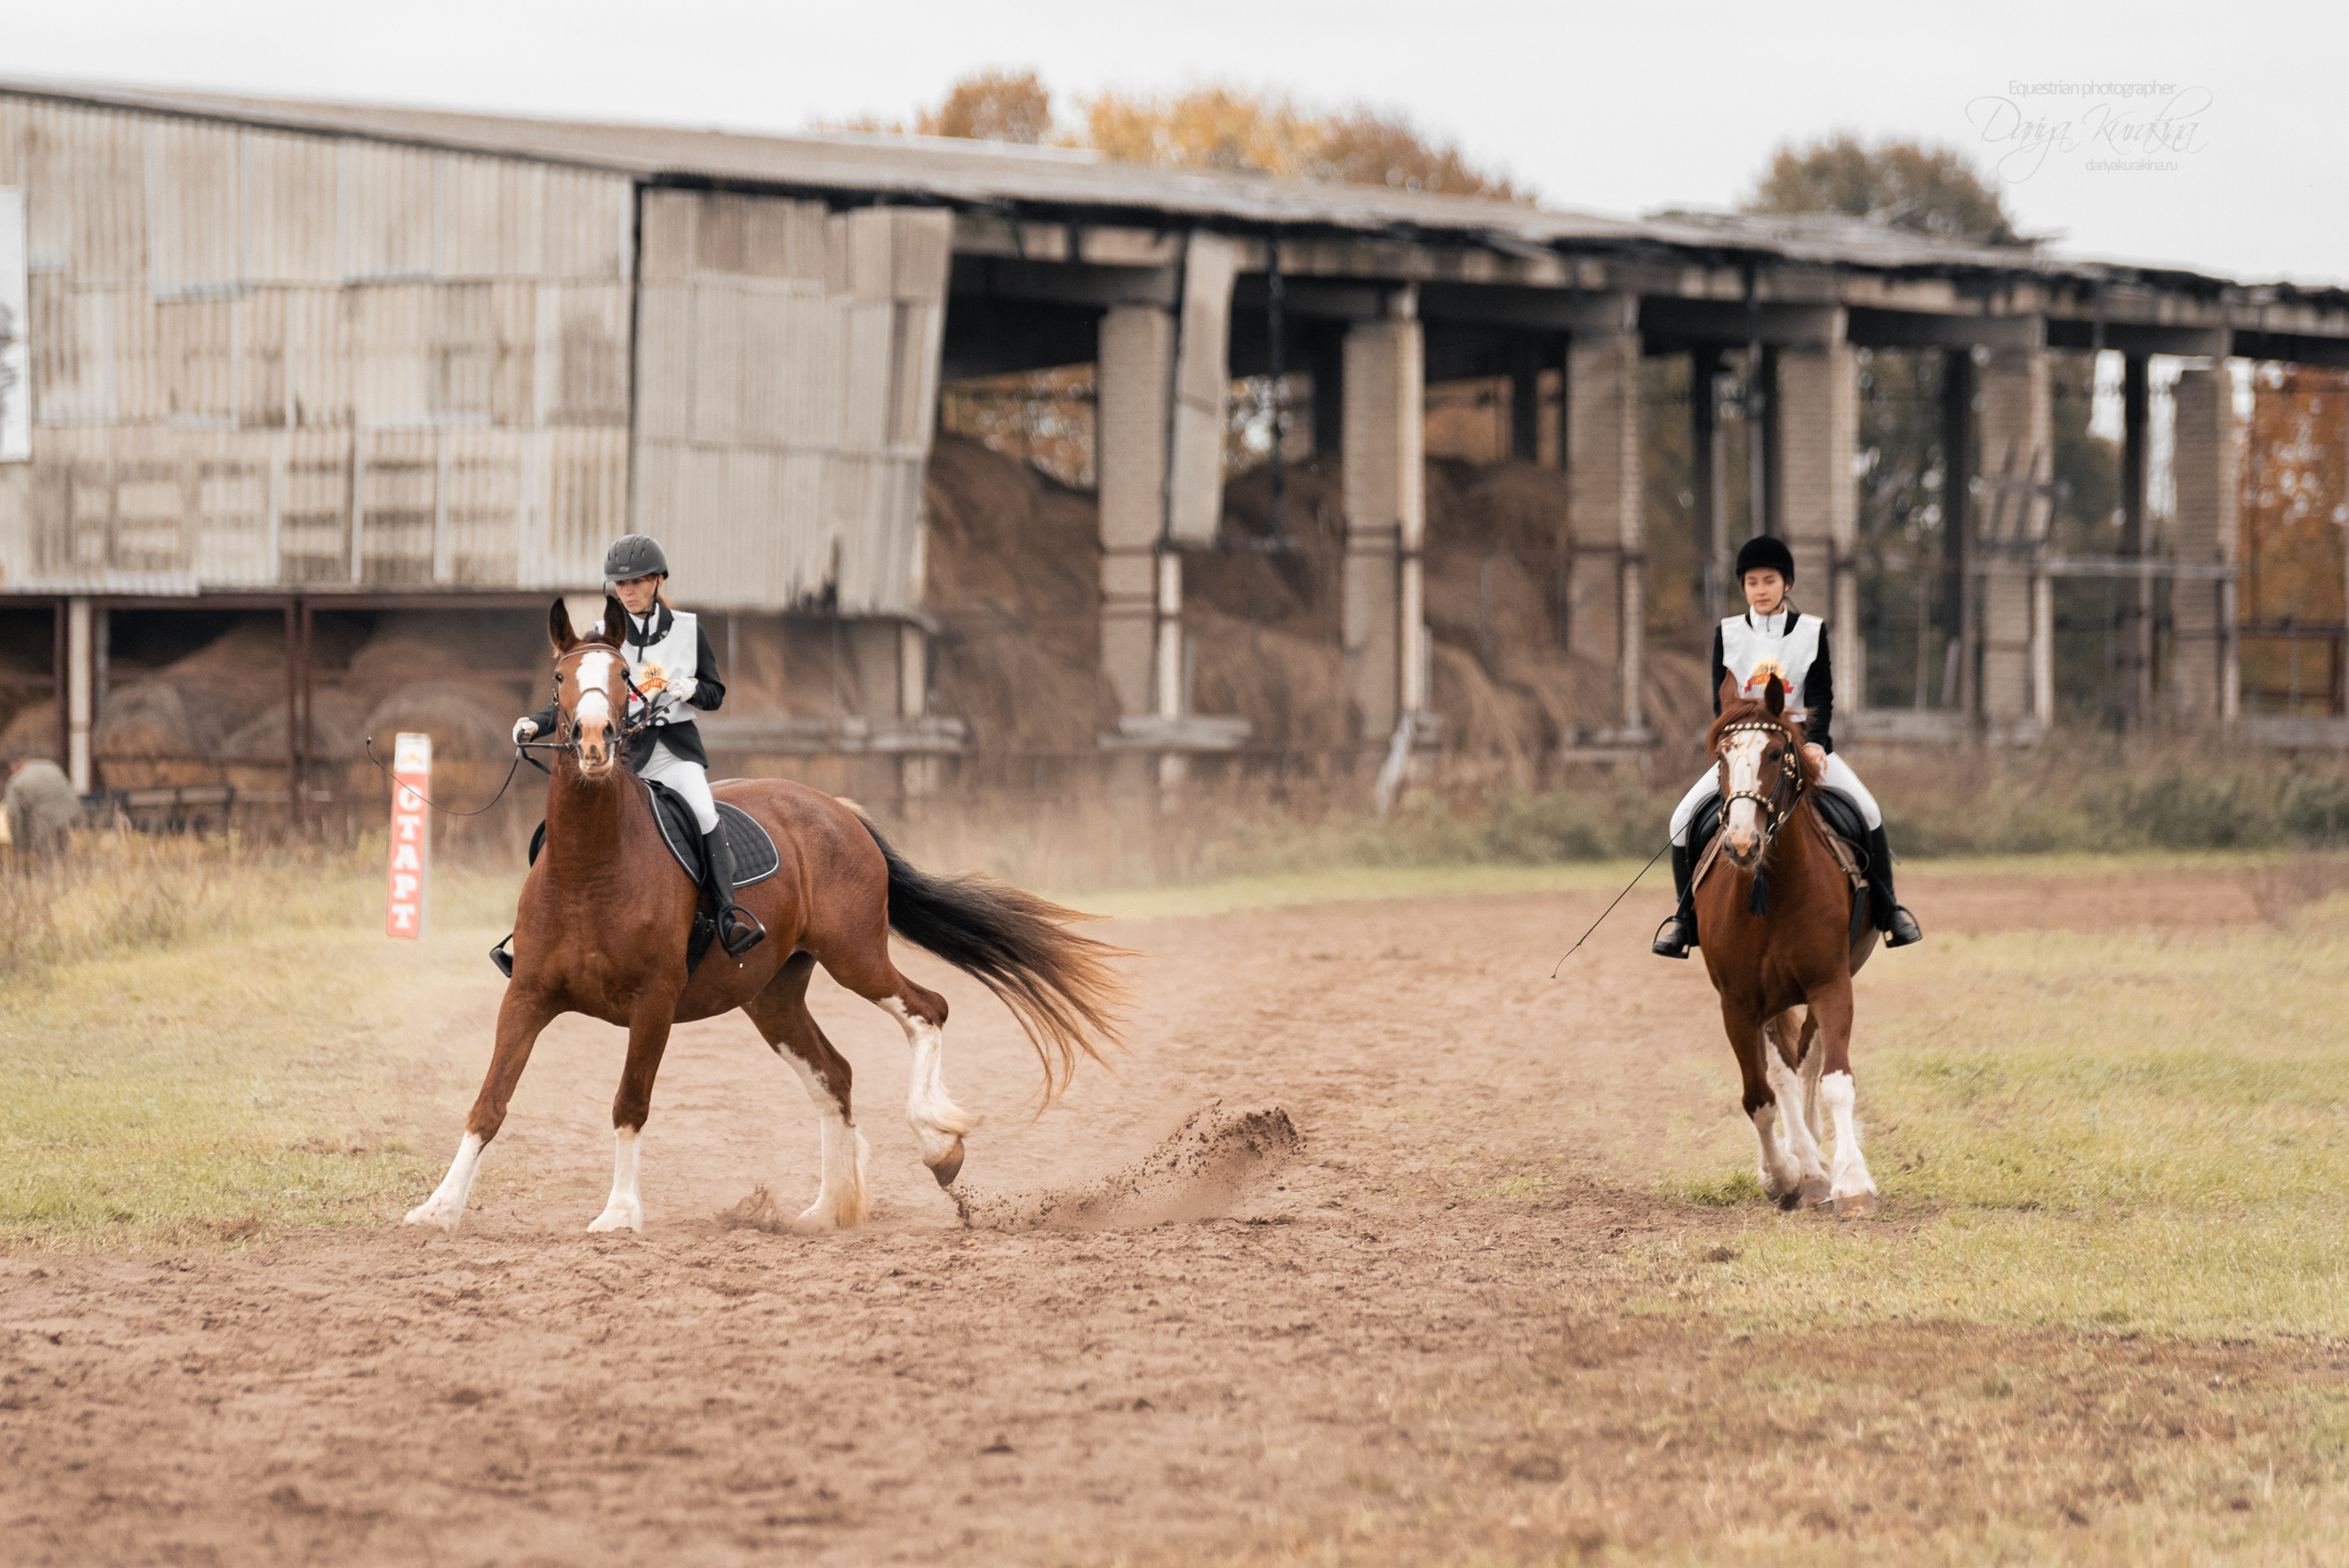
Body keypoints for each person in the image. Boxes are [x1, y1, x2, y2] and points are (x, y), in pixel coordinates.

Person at [1651, 535, 1923, 959]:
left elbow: (1821, 696)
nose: (1760, 590)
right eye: (1752, 582)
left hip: (1803, 747)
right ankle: (1685, 919)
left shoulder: (1812, 631)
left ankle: (1889, 911)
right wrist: (1735, 743)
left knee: (1868, 810)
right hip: (1746, 751)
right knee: (1681, 819)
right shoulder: (1728, 632)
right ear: (1743, 587)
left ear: (1787, 584)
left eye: (1769, 580)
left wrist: (1815, 744)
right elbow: (1719, 700)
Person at [515, 535, 766, 959]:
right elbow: (575, 696)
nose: (627, 592)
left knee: (704, 812)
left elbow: (716, 693)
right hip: (621, 757)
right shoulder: (604, 637)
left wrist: (693, 689)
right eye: (620, 585)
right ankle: (533, 934)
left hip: (674, 752)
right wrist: (536, 723)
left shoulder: (689, 630)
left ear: (657, 581)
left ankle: (728, 915)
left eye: (636, 582)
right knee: (559, 826)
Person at [4, 752, 82, 859]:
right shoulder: (49, 765)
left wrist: (19, 848)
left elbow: (14, 815)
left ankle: (47, 871)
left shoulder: (16, 782)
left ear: (14, 766)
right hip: (70, 813)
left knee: (46, 854)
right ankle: (63, 869)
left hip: (47, 819)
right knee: (62, 851)